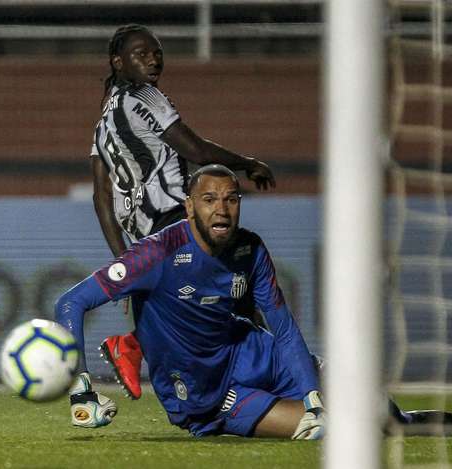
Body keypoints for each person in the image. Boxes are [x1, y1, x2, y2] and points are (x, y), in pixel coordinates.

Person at [57, 165, 324, 438]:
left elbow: (284, 329)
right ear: (189, 207)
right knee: (332, 429)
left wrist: (312, 396)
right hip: (206, 392)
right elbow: (71, 302)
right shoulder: (157, 253)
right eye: (209, 200)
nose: (221, 209)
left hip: (250, 350)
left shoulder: (249, 249)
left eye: (231, 199)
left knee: (356, 391)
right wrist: (80, 391)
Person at [91, 24, 276, 402]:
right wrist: (247, 163)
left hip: (148, 232)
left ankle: (133, 346)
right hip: (178, 215)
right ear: (118, 61)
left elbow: (102, 194)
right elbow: (196, 150)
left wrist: (125, 261)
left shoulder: (103, 121)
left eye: (157, 52)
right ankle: (280, 371)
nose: (153, 59)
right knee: (234, 293)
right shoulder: (145, 95)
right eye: (141, 54)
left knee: (206, 307)